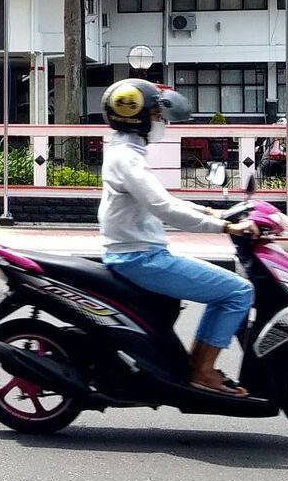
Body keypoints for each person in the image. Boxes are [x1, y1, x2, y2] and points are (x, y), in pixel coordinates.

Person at [98, 78, 258, 397]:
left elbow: (163, 200)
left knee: (228, 290)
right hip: (140, 258)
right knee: (238, 291)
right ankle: (202, 370)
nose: (162, 122)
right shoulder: (127, 158)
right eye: (157, 115)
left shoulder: (126, 150)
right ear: (138, 117)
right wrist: (226, 228)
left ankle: (198, 367)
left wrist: (211, 211)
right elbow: (164, 208)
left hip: (139, 254)